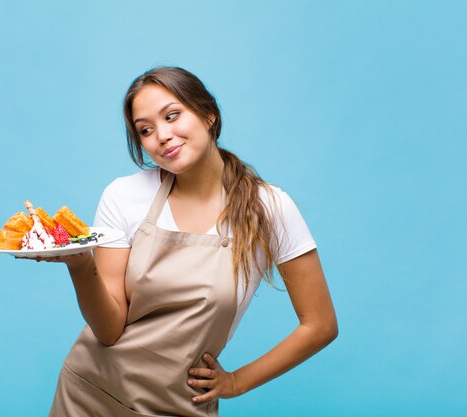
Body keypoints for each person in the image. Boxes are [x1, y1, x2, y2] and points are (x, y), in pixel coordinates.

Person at [44, 66, 338, 416]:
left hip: (180, 406)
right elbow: (108, 330)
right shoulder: (124, 195)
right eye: (146, 130)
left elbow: (320, 325)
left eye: (172, 115)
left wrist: (237, 382)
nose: (163, 136)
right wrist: (80, 263)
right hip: (90, 397)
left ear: (208, 114)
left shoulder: (270, 209)